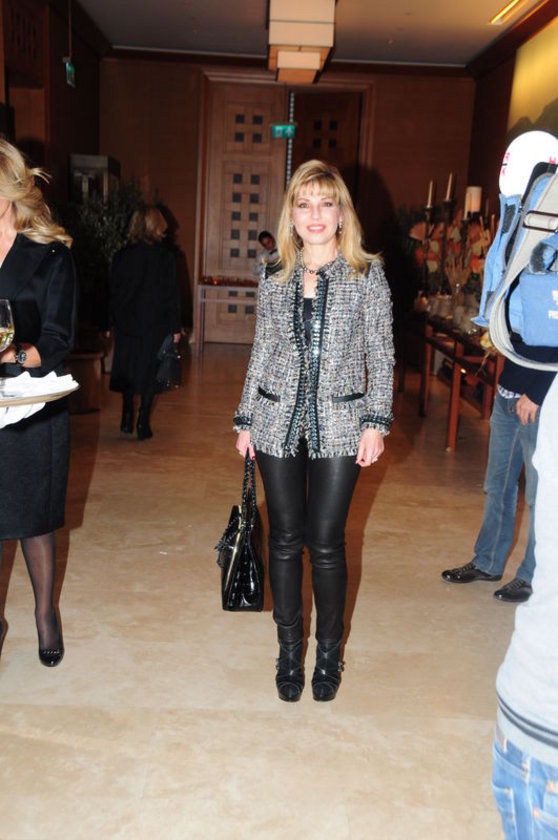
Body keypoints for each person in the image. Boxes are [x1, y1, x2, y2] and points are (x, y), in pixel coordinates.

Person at [234, 160, 394, 702]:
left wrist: (375, 421)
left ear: (342, 213)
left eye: (326, 203)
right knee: (283, 539)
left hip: (343, 423)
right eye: (304, 204)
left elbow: (381, 355)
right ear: (292, 215)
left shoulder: (366, 274)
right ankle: (287, 652)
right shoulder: (274, 272)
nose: (316, 214)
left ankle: (328, 653)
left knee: (325, 543)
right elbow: (262, 349)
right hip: (276, 417)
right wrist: (246, 418)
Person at [0, 138, 77, 667]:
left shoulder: (50, 255)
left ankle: (45, 613)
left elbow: (58, 338)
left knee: (33, 518)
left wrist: (12, 353)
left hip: (32, 403)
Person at [441, 345, 556, 602]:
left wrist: (537, 393)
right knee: (497, 486)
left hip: (540, 401)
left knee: (539, 498)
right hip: (507, 393)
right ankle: (487, 562)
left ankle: (533, 576)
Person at [108, 205, 181, 440]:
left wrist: (109, 322)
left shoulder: (121, 256)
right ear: (157, 226)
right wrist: (175, 328)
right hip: (155, 324)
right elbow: (172, 296)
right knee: (151, 372)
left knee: (128, 368)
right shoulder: (166, 257)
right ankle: (142, 422)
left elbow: (112, 292)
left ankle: (126, 415)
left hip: (126, 324)